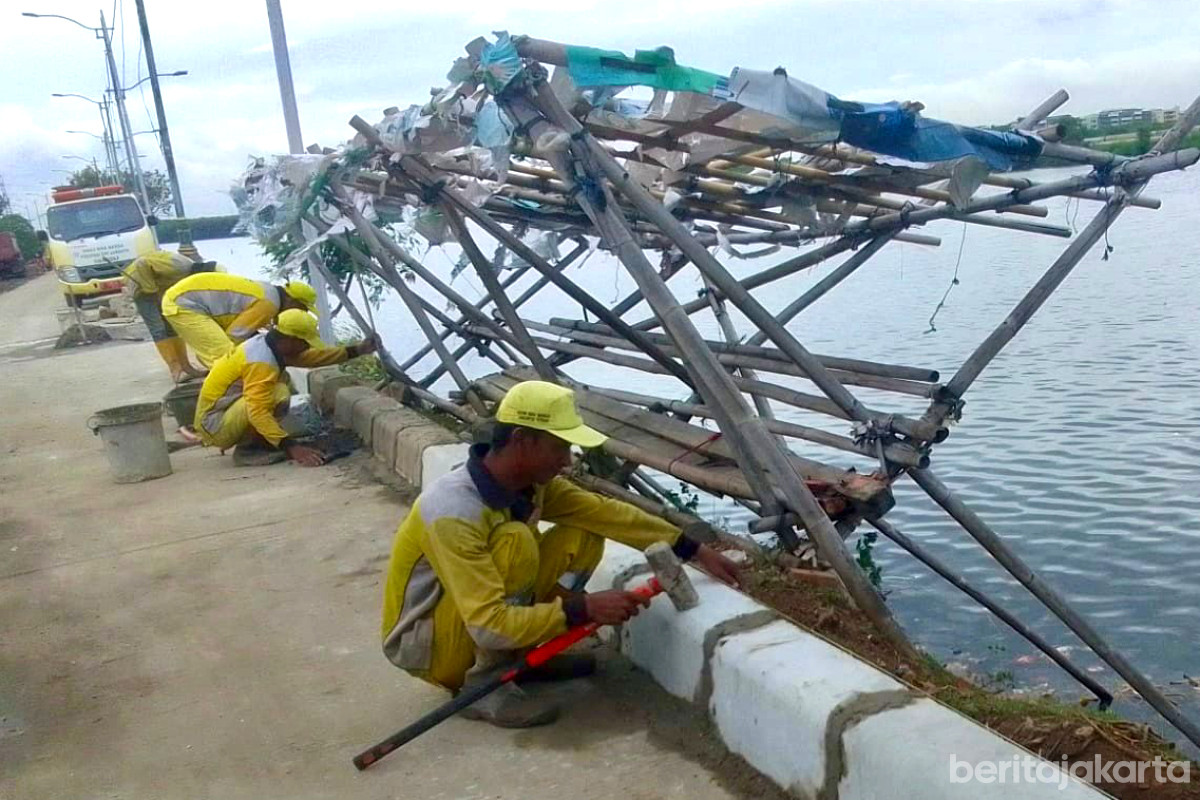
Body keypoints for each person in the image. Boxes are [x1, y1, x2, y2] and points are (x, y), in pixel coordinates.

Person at [380, 380, 741, 728]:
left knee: (584, 532)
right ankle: (484, 683)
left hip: (477, 626)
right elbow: (488, 625)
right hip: (431, 647)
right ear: (522, 441)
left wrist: (691, 548)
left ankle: (519, 659)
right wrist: (582, 609)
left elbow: (606, 513)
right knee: (516, 541)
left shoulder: (529, 486)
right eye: (559, 447)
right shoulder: (452, 511)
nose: (567, 461)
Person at [194, 309, 377, 467]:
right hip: (215, 424)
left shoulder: (268, 345)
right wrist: (291, 447)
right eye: (304, 342)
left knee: (280, 384)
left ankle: (262, 442)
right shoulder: (261, 361)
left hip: (221, 416)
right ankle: (249, 450)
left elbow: (312, 358)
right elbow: (257, 411)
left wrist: (356, 350)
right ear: (290, 340)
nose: (306, 347)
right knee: (277, 393)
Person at [161, 272, 319, 368]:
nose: (300, 313)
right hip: (184, 304)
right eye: (301, 309)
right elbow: (235, 335)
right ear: (292, 301)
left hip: (183, 297)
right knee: (224, 357)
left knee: (221, 354)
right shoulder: (269, 305)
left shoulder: (268, 291)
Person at [121, 250, 214, 383]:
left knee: (172, 325)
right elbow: (142, 263)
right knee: (158, 328)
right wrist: (151, 289)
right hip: (140, 285)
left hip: (158, 289)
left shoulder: (186, 272)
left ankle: (186, 367)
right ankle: (175, 369)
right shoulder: (180, 267)